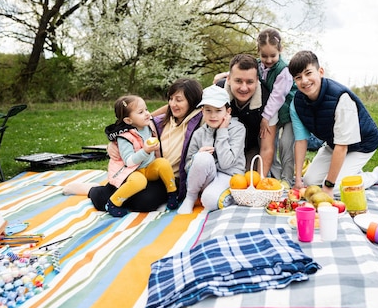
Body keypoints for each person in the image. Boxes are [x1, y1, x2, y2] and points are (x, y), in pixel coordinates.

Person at [65, 79, 203, 213]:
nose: (173, 104)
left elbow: (216, 103)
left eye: (178, 100)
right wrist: (112, 145)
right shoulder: (159, 122)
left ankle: (109, 193)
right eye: (170, 99)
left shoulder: (199, 122)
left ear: (193, 101)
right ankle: (92, 190)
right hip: (140, 170)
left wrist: (224, 80)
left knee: (145, 202)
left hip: (167, 178)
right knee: (106, 198)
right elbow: (129, 125)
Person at [288, 50, 378, 197]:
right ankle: (351, 170)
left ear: (320, 71)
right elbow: (301, 140)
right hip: (334, 143)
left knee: (337, 187)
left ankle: (375, 176)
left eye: (308, 73)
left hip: (363, 144)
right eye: (298, 77)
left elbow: (343, 146)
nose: (304, 80)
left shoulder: (341, 98)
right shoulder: (297, 103)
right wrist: (298, 181)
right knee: (310, 180)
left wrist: (328, 186)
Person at [102, 95, 180, 216]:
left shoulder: (148, 125)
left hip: (148, 168)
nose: (147, 114)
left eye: (146, 109)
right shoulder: (125, 137)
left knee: (163, 163)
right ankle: (113, 203)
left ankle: (172, 193)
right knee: (140, 182)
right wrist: (145, 151)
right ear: (128, 120)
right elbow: (128, 161)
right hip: (133, 171)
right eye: (141, 112)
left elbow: (164, 111)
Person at [177, 85, 246, 214]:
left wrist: (222, 131)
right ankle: (190, 198)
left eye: (218, 110)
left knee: (209, 201)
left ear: (228, 111)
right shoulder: (199, 133)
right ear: (202, 111)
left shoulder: (238, 129)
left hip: (229, 176)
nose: (213, 115)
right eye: (208, 110)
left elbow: (226, 164)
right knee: (202, 157)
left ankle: (228, 196)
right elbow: (187, 167)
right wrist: (197, 158)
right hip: (207, 177)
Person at [221, 53, 276, 177]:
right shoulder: (217, 92)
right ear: (228, 79)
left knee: (248, 179)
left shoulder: (268, 102)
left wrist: (261, 182)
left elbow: (267, 148)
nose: (244, 88)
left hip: (251, 148)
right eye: (238, 81)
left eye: (249, 82)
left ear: (257, 81)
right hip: (222, 146)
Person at [256, 29, 297, 187]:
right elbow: (242, 69)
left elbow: (277, 96)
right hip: (274, 112)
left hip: (289, 111)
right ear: (259, 52)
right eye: (264, 56)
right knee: (266, 142)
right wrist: (225, 75)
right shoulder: (258, 65)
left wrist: (265, 118)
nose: (268, 59)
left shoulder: (283, 70)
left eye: (273, 55)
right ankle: (274, 174)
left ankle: (287, 178)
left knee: (286, 143)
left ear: (280, 50)